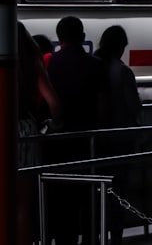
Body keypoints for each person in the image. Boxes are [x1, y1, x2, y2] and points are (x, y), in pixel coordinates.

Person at [45, 15, 108, 245]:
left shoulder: (50, 63)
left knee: (62, 202)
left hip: (59, 143)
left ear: (58, 38)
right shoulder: (96, 65)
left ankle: (64, 240)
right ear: (82, 37)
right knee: (88, 198)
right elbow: (101, 106)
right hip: (88, 143)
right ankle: (90, 238)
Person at [95, 25, 141, 245]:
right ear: (120, 46)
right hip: (121, 141)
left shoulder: (96, 66)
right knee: (119, 192)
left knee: (99, 192)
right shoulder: (123, 72)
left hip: (98, 141)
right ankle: (115, 238)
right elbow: (134, 107)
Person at [16, 22, 61, 245]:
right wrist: (52, 126)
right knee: (23, 207)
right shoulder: (32, 63)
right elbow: (54, 103)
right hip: (25, 131)